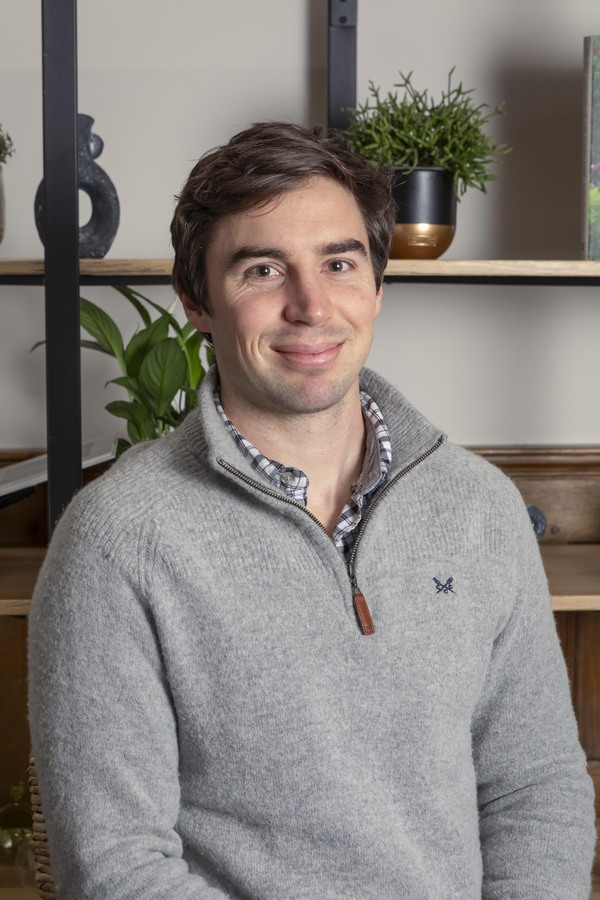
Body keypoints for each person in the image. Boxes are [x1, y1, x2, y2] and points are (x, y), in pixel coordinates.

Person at [29, 122, 596, 899]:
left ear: (377, 288)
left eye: (339, 263)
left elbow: (535, 786)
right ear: (196, 302)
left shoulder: (481, 507)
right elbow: (116, 868)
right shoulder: (116, 540)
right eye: (263, 270)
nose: (311, 305)